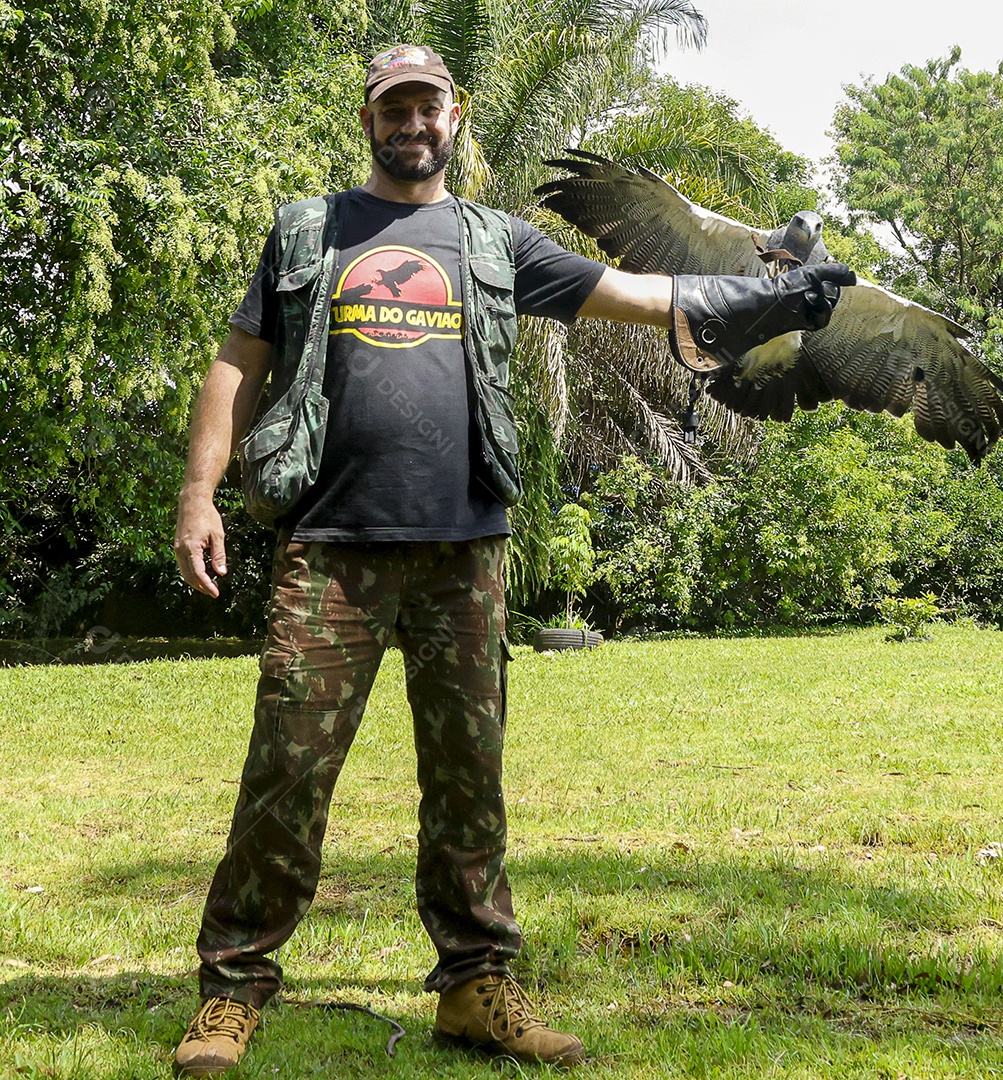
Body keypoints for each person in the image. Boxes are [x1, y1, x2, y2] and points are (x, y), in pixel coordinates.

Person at [171, 43, 854, 1076]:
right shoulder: (310, 231)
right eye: (393, 108)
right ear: (370, 121)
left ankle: (477, 988)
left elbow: (631, 294)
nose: (412, 124)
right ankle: (231, 994)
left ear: (459, 117)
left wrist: (756, 305)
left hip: (466, 551)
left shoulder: (495, 243)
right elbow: (238, 363)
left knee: (469, 785)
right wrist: (197, 494)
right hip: (330, 548)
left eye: (428, 106)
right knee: (286, 774)